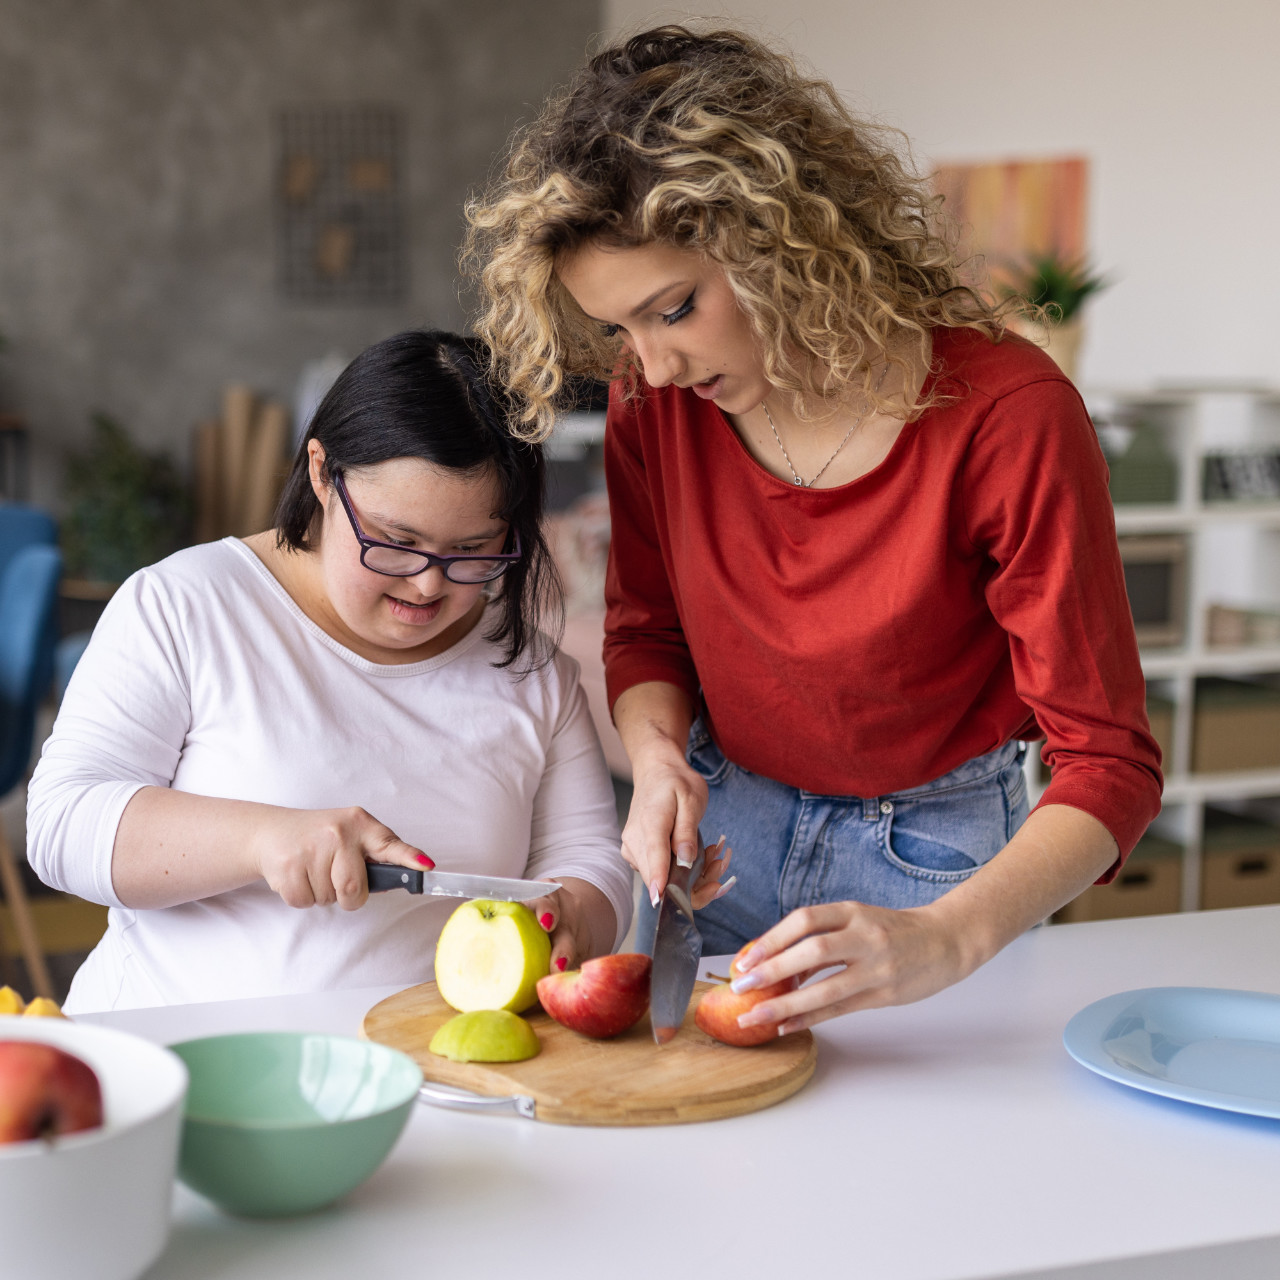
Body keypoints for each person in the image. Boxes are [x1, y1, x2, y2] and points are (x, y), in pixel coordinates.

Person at [463, 26, 1162, 1035]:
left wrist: (949, 936)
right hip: (722, 835)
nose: (651, 366)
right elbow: (646, 628)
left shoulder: (1006, 413)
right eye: (620, 329)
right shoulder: (653, 406)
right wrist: (657, 757)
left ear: (778, 236)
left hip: (937, 859)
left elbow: (1109, 760)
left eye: (676, 308)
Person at [27, 331, 633, 1012]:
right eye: (397, 543)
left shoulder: (530, 670)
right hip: (177, 1061)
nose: (429, 585)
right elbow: (62, 826)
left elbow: (586, 857)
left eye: (472, 551)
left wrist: (577, 913)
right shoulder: (188, 605)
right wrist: (263, 838)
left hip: (434, 1073)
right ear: (322, 473)